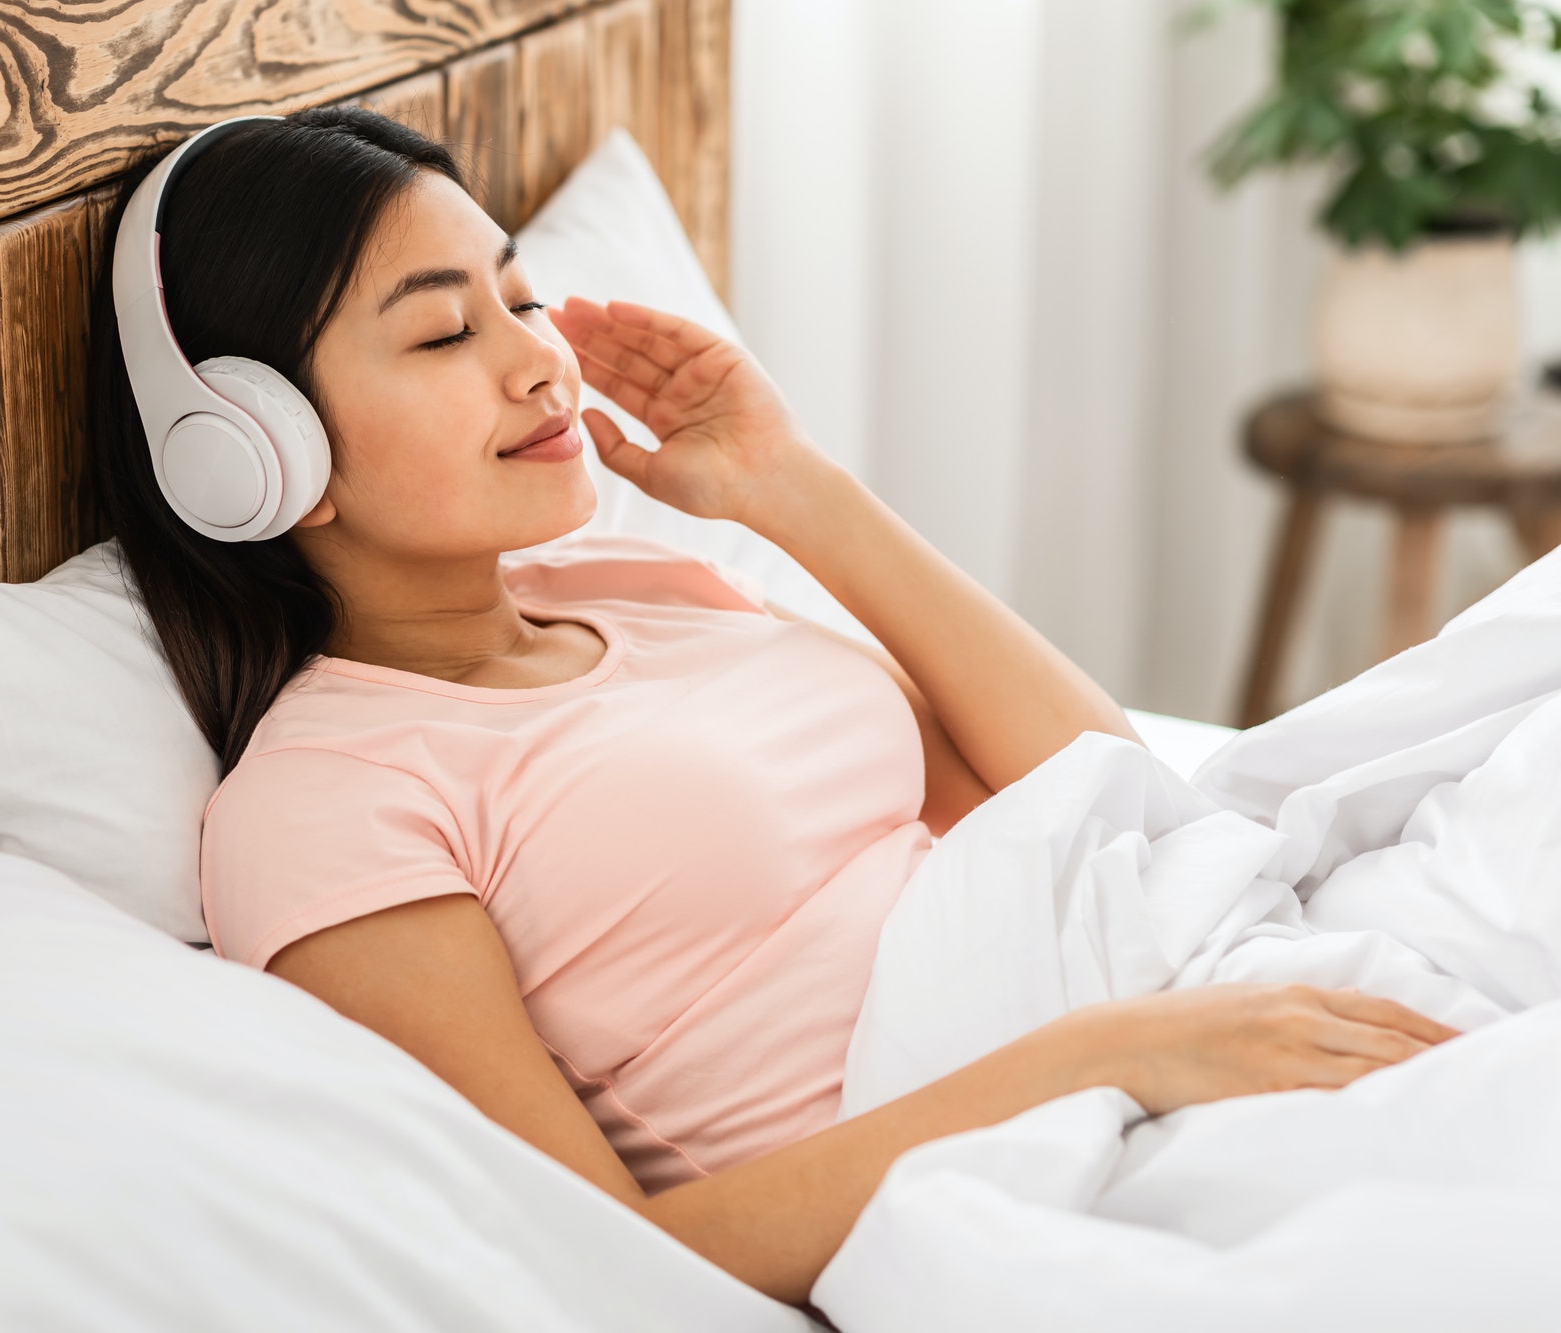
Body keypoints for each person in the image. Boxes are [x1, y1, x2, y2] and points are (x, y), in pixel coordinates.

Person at [86, 108, 1456, 1309]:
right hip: (1034, 1145)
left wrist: (791, 487)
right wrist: (1117, 1055)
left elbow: (1092, 784)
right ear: (253, 456)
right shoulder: (325, 800)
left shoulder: (635, 581)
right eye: (446, 329)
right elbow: (603, 1256)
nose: (538, 361)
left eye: (522, 300)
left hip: (1163, 992)